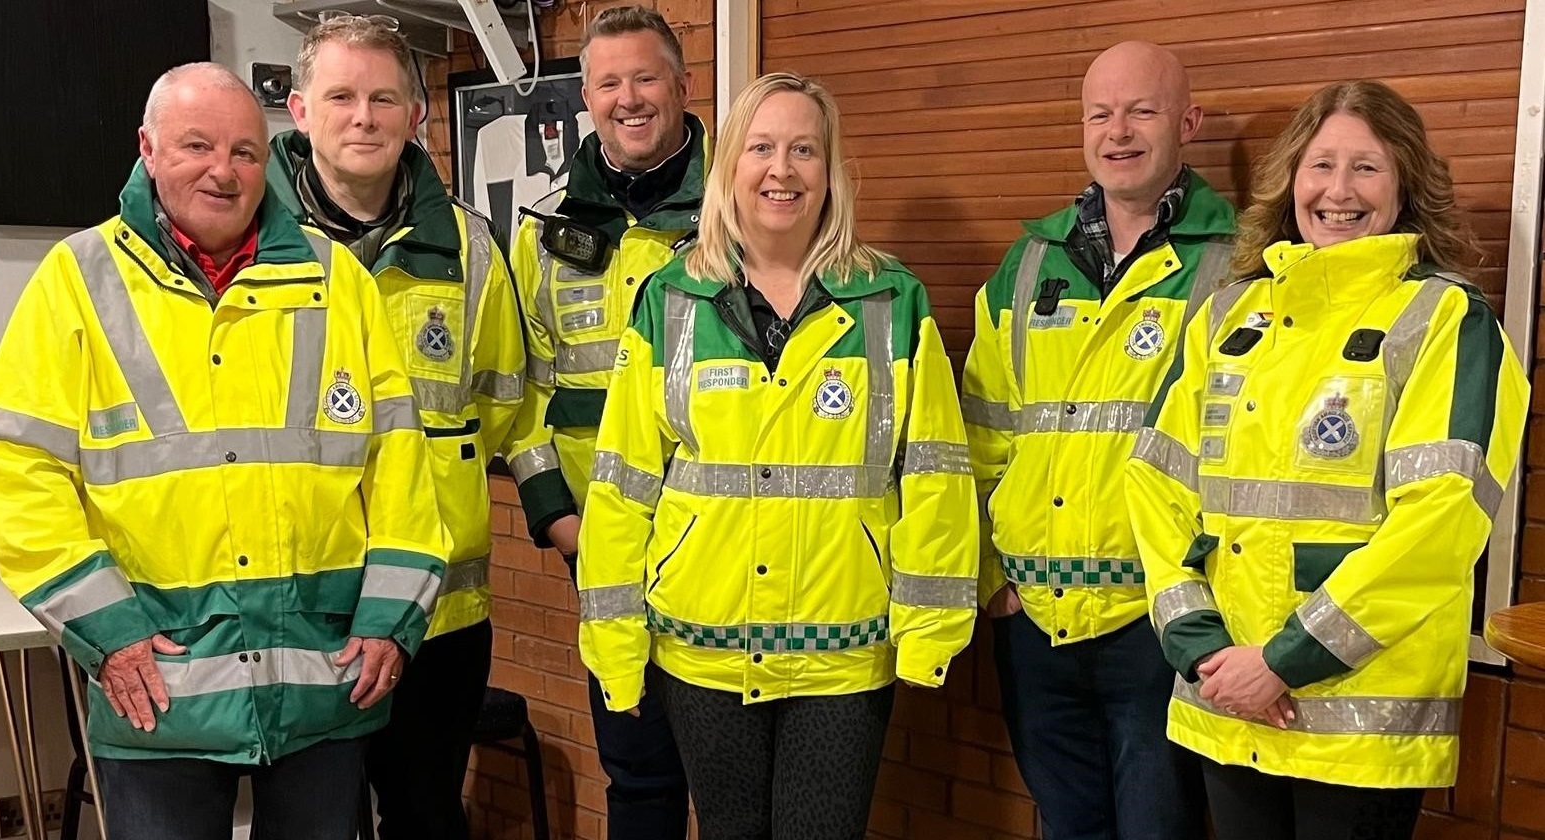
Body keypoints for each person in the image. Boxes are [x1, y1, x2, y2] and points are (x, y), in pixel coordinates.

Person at [0, 63, 446, 840]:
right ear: (148, 150)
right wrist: (108, 632)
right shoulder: (79, 281)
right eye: (196, 146)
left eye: (245, 152)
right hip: (158, 689)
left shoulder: (338, 282)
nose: (222, 172)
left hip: (320, 683)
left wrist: (394, 616)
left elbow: (399, 457)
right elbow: (16, 465)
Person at [577, 70, 979, 840]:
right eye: (761, 147)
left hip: (844, 654)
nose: (781, 169)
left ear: (831, 172)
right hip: (701, 651)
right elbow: (623, 488)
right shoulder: (671, 300)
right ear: (729, 167)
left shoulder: (890, 301)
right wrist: (617, 649)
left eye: (804, 149)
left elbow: (934, 475)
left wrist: (929, 631)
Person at [1125, 78, 1528, 840]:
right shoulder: (1230, 312)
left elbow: (1437, 528)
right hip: (1227, 697)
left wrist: (1284, 660)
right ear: (1291, 178)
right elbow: (1155, 483)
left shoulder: (1444, 320)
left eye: (1366, 168)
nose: (1338, 190)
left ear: (1406, 184)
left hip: (1358, 723)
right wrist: (1202, 648)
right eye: (1321, 165)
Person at [266, 14, 527, 839]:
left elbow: (505, 406)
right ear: (300, 111)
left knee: (425, 817)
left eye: (384, 98)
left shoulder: (472, 250)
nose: (364, 117)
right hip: (302, 606)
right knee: (315, 822)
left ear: (417, 114)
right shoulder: (253, 251)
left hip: (438, 616)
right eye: (341, 96)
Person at [962, 40, 1231, 840]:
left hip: (1161, 625)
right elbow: (976, 437)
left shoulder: (1237, 265)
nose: (1118, 131)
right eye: (1100, 113)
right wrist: (989, 581)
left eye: (1141, 111)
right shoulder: (1028, 263)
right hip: (1034, 622)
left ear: (1188, 122)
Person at [508, 5, 702, 835]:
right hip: (604, 552)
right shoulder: (543, 230)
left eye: (646, 77)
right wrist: (559, 521)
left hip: (728, 548)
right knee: (639, 779)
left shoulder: (744, 215)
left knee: (737, 786)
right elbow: (517, 393)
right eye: (608, 81)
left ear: (683, 86)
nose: (628, 98)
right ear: (585, 96)